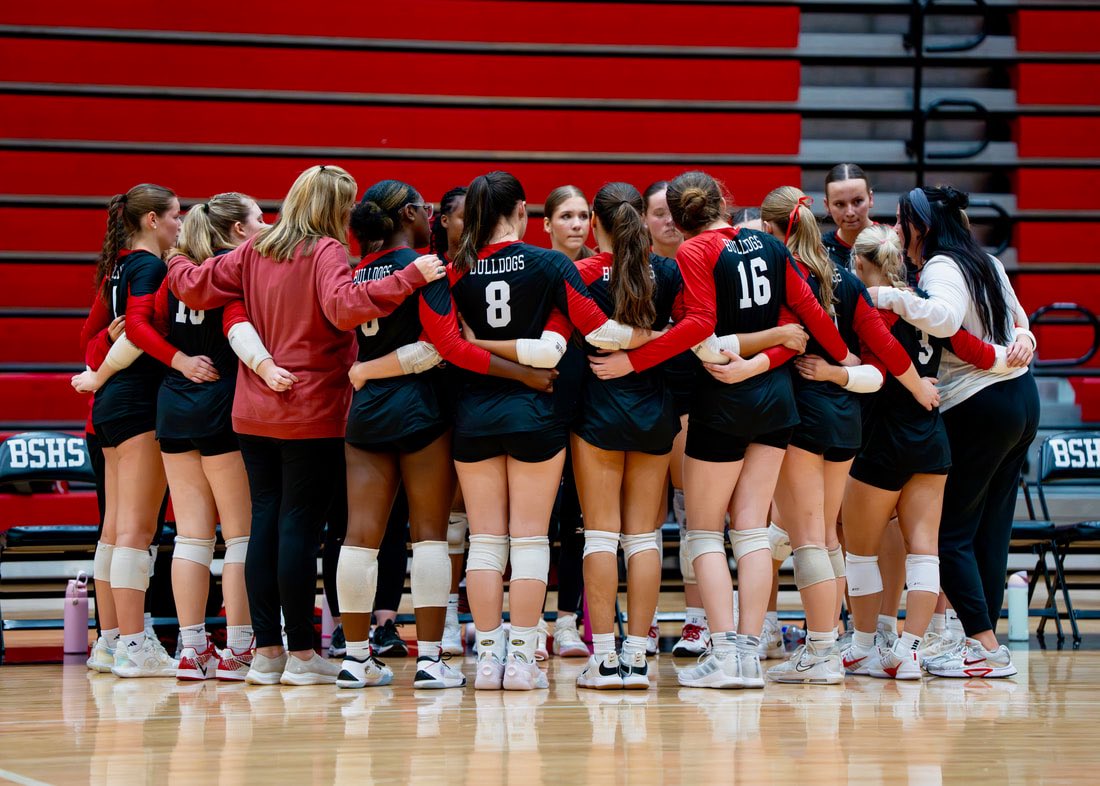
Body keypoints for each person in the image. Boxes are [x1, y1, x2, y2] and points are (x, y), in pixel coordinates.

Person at [167, 164, 447, 686]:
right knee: (299, 526)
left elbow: (193, 287)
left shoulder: (254, 250)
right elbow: (344, 308)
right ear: (333, 207)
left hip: (252, 411)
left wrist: (179, 251)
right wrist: (410, 277)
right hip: (311, 408)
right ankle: (300, 654)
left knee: (262, 529)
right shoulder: (324, 251)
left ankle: (267, 653)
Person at [589, 170, 855, 690]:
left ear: (682, 218)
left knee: (706, 532)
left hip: (722, 399)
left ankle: (727, 653)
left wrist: (634, 361)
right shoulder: (765, 243)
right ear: (721, 204)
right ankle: (749, 655)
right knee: (752, 529)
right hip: (776, 400)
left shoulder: (693, 253)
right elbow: (809, 311)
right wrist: (844, 358)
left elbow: (696, 326)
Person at [418, 170, 656, 691]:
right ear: (524, 213)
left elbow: (449, 346)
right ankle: (522, 659)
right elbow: (598, 331)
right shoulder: (549, 263)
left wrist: (486, 348)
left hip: (474, 416)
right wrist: (664, 336)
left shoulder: (450, 271)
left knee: (483, 542)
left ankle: (487, 659)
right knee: (528, 541)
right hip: (538, 415)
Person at [76, 193, 283, 681]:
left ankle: (187, 649)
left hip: (169, 408)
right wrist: (266, 367)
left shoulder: (165, 276)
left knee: (188, 535)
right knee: (238, 535)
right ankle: (235, 648)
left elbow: (118, 332)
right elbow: (231, 333)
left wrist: (99, 373)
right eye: (257, 219)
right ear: (232, 232)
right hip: (210, 400)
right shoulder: (225, 276)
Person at [756, 186, 939, 685]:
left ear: (774, 232)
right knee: (828, 540)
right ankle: (831, 646)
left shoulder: (782, 275)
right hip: (846, 421)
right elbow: (885, 350)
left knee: (809, 538)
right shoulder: (844, 278)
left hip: (801, 418)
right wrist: (917, 387)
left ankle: (820, 652)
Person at [870, 186, 1039, 678]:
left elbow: (942, 318)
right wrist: (1025, 337)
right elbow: (1018, 319)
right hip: (1020, 400)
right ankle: (978, 642)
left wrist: (889, 296)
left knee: (950, 533)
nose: (899, 233)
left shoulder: (942, 267)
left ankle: (986, 647)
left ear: (923, 227)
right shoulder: (985, 260)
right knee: (990, 528)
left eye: (903, 224)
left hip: (980, 404)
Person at [840, 224, 1013, 679]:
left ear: (859, 264)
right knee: (925, 552)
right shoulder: (925, 307)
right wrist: (1019, 348)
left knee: (859, 552)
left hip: (881, 438)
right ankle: (911, 651)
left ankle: (862, 647)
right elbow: (975, 350)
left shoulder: (864, 308)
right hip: (931, 440)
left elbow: (870, 371)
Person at [335, 179, 465, 690]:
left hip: (365, 413)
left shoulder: (357, 273)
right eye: (426, 209)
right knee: (429, 535)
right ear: (408, 214)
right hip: (421, 409)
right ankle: (432, 661)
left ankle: (353, 658)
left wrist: (367, 372)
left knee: (359, 538)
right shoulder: (429, 267)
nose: (431, 217)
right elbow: (437, 349)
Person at [565, 182, 683, 689]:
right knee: (642, 538)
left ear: (596, 222)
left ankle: (605, 659)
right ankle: (638, 658)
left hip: (598, 415)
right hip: (656, 412)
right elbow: (689, 332)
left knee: (600, 535)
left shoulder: (580, 272)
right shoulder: (668, 270)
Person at [82, 183, 188, 678]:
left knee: (114, 530)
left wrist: (103, 357)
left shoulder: (118, 267)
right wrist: (181, 359)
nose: (180, 224)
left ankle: (108, 641)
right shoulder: (150, 266)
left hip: (110, 406)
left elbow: (91, 339)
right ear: (151, 221)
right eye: (175, 216)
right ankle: (133, 644)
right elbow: (141, 331)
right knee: (136, 531)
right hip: (139, 403)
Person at [643, 180, 700, 657]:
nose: (667, 221)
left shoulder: (701, 260)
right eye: (658, 212)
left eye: (673, 212)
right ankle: (641, 624)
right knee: (640, 522)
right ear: (643, 219)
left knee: (691, 514)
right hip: (639, 399)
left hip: (689, 397)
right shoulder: (634, 268)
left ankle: (696, 623)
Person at [541, 185, 593, 657]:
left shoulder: (602, 270)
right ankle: (532, 621)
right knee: (536, 521)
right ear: (547, 224)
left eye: (583, 215)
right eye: (566, 216)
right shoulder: (535, 269)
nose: (576, 224)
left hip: (590, 408)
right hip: (540, 404)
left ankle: (568, 621)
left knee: (577, 518)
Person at [821, 163, 874, 271]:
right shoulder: (819, 250)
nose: (850, 213)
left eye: (857, 201)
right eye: (840, 204)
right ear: (827, 205)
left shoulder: (892, 240)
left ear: (870, 198)